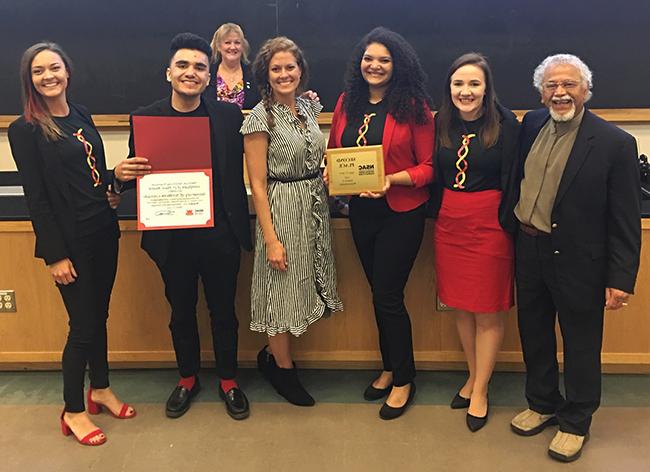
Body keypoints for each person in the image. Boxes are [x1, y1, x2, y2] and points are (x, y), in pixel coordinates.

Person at [508, 54, 641, 462]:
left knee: (581, 342)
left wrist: (620, 277)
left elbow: (625, 218)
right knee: (534, 333)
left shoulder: (615, 143)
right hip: (529, 248)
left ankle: (576, 420)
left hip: (580, 258)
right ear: (541, 91)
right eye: (551, 85)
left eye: (568, 85)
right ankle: (542, 402)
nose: (560, 93)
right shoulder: (530, 123)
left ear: (585, 90)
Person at [114, 33, 252, 420]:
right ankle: (188, 377)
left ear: (210, 77)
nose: (191, 73)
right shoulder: (147, 117)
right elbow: (133, 170)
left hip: (219, 234)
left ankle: (228, 380)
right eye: (183, 65)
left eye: (200, 67)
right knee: (180, 311)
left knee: (224, 310)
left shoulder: (226, 117)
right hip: (171, 236)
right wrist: (120, 175)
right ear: (169, 73)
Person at [8, 42, 134, 446]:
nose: (48, 76)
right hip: (70, 242)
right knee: (82, 326)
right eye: (39, 71)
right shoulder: (25, 128)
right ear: (30, 79)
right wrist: (55, 254)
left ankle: (100, 388)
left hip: (103, 228)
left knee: (99, 316)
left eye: (54, 68)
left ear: (68, 71)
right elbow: (36, 197)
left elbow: (89, 174)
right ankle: (73, 410)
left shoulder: (81, 114)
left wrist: (114, 183)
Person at [327, 27, 434, 419]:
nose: (374, 65)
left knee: (388, 295)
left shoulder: (415, 107)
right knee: (378, 293)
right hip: (361, 212)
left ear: (398, 64)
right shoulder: (347, 102)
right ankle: (389, 367)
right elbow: (335, 151)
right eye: (369, 58)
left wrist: (391, 180)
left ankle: (404, 378)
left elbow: (428, 168)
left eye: (384, 60)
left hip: (402, 213)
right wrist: (333, 174)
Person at [242, 36, 343, 406]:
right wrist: (271, 238)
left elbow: (316, 153)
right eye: (276, 69)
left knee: (301, 285)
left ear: (300, 70)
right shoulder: (259, 117)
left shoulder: (307, 107)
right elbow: (256, 182)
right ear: (265, 75)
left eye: (290, 67)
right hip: (281, 207)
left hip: (312, 204)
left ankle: (274, 358)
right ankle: (283, 371)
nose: (284, 74)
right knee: (280, 291)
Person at [430, 53, 519, 432]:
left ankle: (480, 390)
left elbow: (514, 179)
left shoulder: (507, 125)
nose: (465, 92)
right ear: (449, 88)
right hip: (450, 224)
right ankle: (471, 376)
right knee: (461, 307)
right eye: (458, 84)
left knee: (488, 309)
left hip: (490, 225)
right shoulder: (439, 123)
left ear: (487, 88)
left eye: (474, 84)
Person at [207, 22, 260, 109]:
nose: (233, 47)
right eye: (227, 43)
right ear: (219, 46)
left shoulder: (254, 74)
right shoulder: (208, 74)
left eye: (237, 42)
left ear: (242, 46)